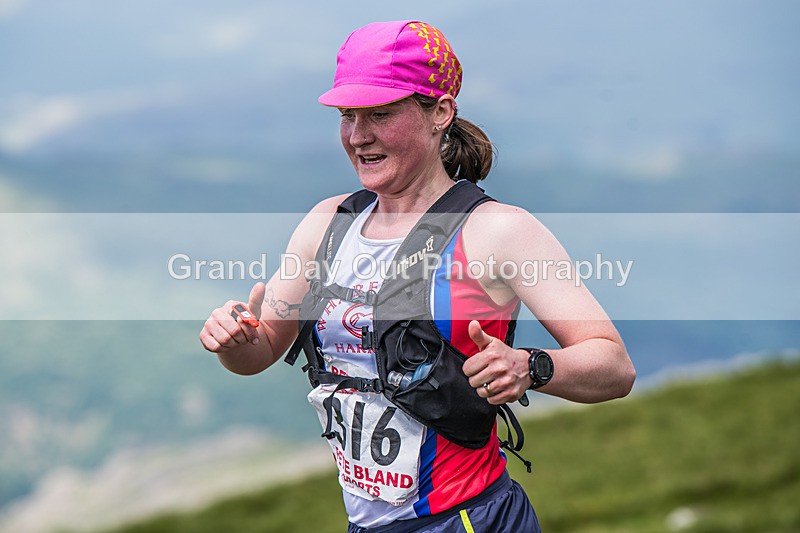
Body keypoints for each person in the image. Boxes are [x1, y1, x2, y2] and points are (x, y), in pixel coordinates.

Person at [200, 20, 635, 532]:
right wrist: (233, 340)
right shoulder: (328, 223)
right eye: (347, 116)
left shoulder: (497, 230)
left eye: (380, 114)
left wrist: (531, 367)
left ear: (441, 112)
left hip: (468, 519)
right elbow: (260, 351)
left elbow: (614, 365)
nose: (359, 136)